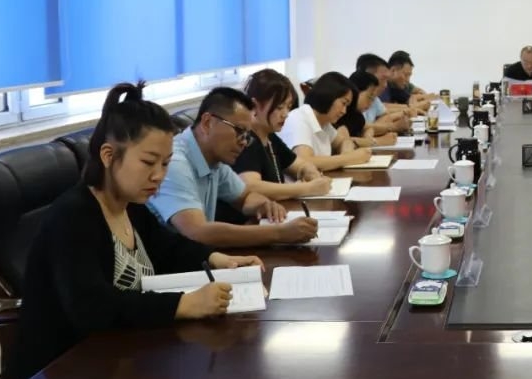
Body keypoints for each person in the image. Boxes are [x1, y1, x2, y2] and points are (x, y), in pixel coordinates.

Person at [5, 83, 263, 379]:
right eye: (148, 162)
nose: (159, 175)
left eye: (165, 163)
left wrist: (219, 259)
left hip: (115, 363)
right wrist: (185, 304)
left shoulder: (132, 206)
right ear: (108, 155)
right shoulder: (73, 216)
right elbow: (92, 307)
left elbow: (169, 248)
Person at [149, 88, 318, 247]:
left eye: (247, 136)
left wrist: (264, 205)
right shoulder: (173, 162)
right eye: (239, 131)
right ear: (207, 123)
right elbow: (197, 232)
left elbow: (245, 198)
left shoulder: (214, 161)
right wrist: (280, 233)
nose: (244, 142)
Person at [233, 69, 335, 200]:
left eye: (288, 107)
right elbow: (251, 186)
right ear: (254, 105)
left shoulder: (270, 136)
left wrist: (309, 171)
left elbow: (299, 164)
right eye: (279, 107)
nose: (286, 114)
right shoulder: (246, 140)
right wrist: (308, 188)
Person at [279, 72, 374, 170]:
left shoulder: (324, 122)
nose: (344, 111)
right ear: (329, 95)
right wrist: (349, 158)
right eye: (343, 103)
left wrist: (346, 153)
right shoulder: (299, 118)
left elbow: (344, 141)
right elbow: (304, 162)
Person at [336, 70, 398, 148]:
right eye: (369, 97)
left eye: (373, 99)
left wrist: (368, 136)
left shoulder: (357, 115)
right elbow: (342, 141)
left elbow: (367, 128)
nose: (370, 103)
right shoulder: (341, 114)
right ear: (356, 91)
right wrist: (378, 141)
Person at [354, 53, 410, 135]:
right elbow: (361, 129)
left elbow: (385, 116)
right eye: (383, 79)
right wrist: (393, 127)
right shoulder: (352, 99)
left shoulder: (375, 99)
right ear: (368, 75)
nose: (385, 85)